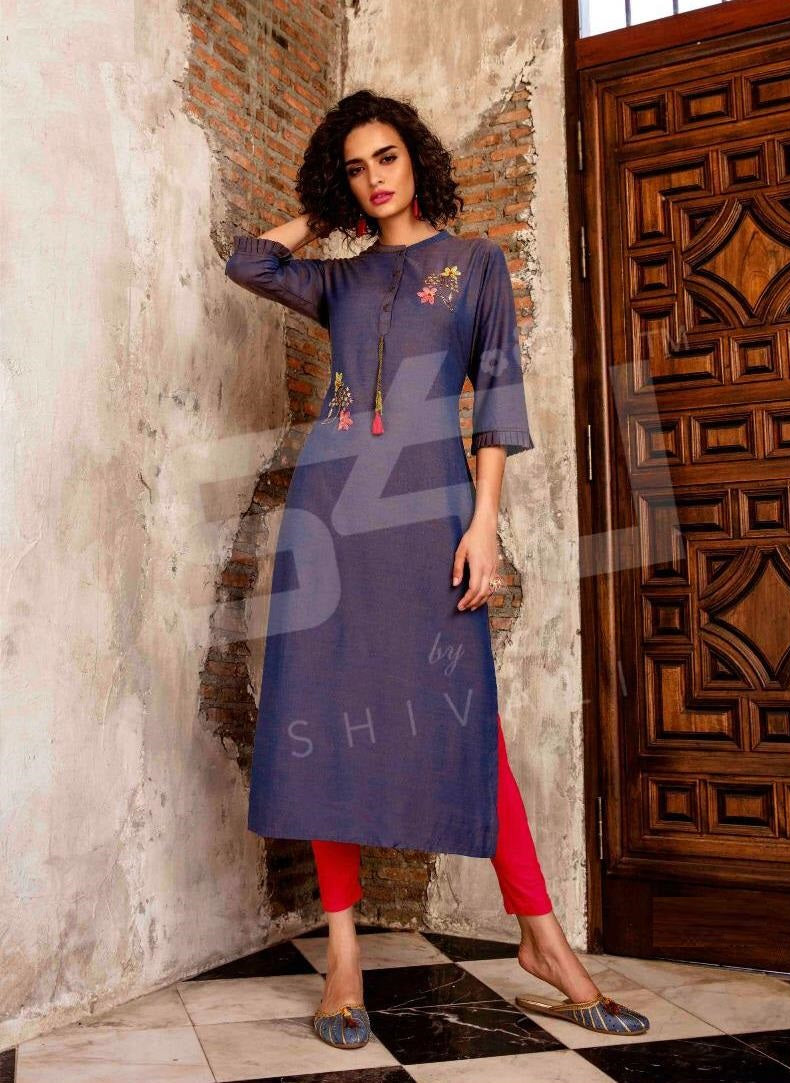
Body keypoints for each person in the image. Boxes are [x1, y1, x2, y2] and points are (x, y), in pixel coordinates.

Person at [224, 89, 649, 1048]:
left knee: (467, 720)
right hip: (330, 521)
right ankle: (342, 960)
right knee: (325, 719)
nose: (375, 178)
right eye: (355, 167)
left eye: (387, 157)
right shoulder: (337, 280)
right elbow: (248, 260)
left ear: (416, 158)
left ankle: (541, 938)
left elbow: (495, 395)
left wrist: (484, 522)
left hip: (431, 517)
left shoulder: (476, 265)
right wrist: (322, 213)